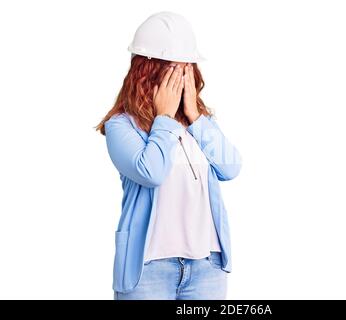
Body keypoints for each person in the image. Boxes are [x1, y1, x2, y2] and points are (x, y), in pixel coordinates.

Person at [95, 11, 242, 300]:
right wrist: (164, 117)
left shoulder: (200, 124)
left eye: (186, 69)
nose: (181, 78)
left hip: (206, 268)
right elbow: (152, 172)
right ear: (146, 72)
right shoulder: (121, 126)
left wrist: (196, 118)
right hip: (148, 271)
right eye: (173, 70)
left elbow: (231, 167)